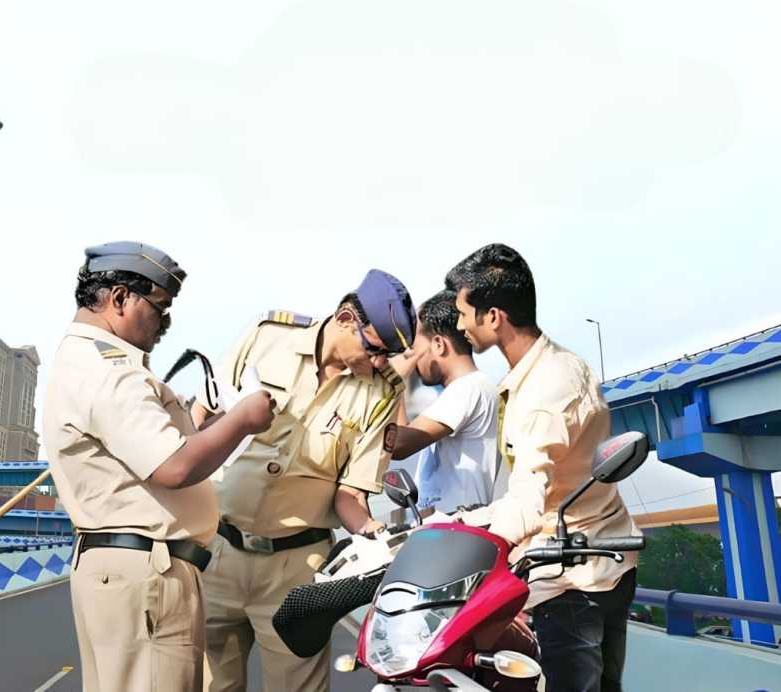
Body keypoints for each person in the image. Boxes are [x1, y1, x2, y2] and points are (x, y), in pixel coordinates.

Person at [43, 242, 275, 692]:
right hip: (147, 572)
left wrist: (213, 425)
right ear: (119, 299)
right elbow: (172, 466)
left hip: (133, 568)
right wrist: (246, 417)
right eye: (160, 308)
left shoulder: (91, 362)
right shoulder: (109, 370)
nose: (165, 324)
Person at [194, 269, 414, 692]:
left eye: (388, 356)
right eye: (377, 349)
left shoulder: (383, 392)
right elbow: (202, 414)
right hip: (218, 552)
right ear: (348, 318)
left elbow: (350, 494)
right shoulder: (266, 336)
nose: (381, 362)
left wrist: (377, 538)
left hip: (296, 570)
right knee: (209, 684)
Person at [443, 243, 639, 692]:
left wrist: (468, 552)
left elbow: (530, 501)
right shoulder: (552, 367)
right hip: (602, 558)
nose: (459, 325)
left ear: (493, 316)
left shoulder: (543, 391)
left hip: (574, 579)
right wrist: (458, 522)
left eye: (463, 313)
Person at [387, 289, 504, 513]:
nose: (409, 356)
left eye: (414, 347)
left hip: (456, 531)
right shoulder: (467, 389)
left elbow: (398, 444)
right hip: (449, 531)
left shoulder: (468, 388)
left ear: (439, 344)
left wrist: (394, 382)